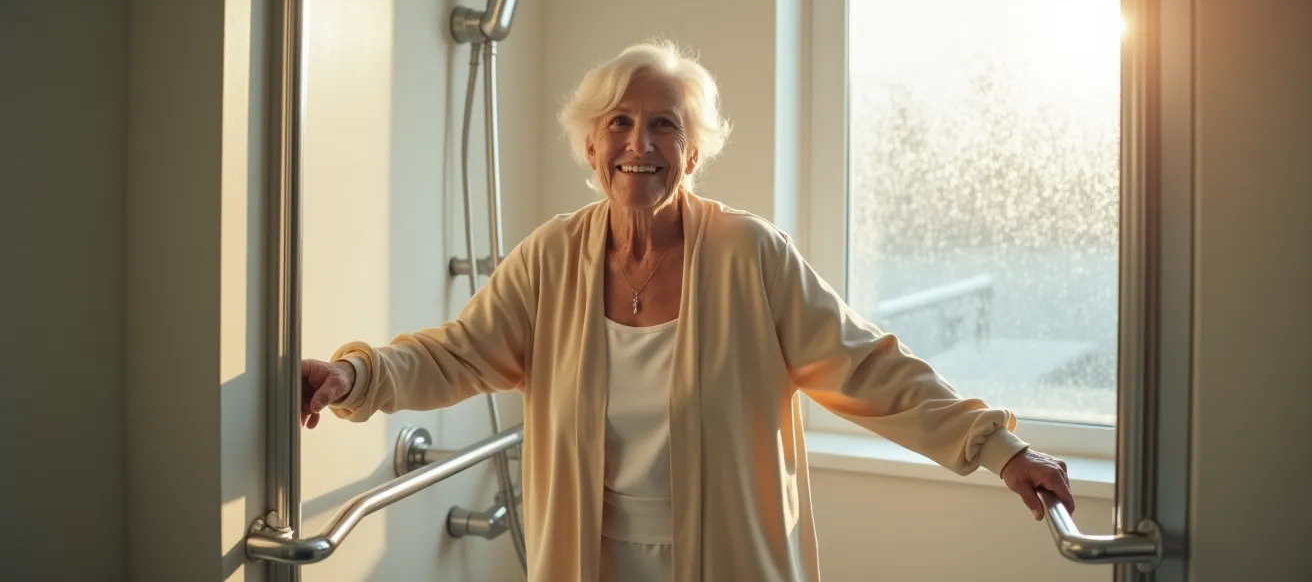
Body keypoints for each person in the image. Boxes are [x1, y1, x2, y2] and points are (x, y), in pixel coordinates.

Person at [299, 39, 1076, 581]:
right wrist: (353, 376)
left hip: (730, 559)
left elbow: (867, 365)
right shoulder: (551, 257)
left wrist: (997, 447)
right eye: (621, 124)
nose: (641, 142)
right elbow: (454, 353)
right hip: (587, 558)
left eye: (664, 123)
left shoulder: (750, 254)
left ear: (693, 151)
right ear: (593, 148)